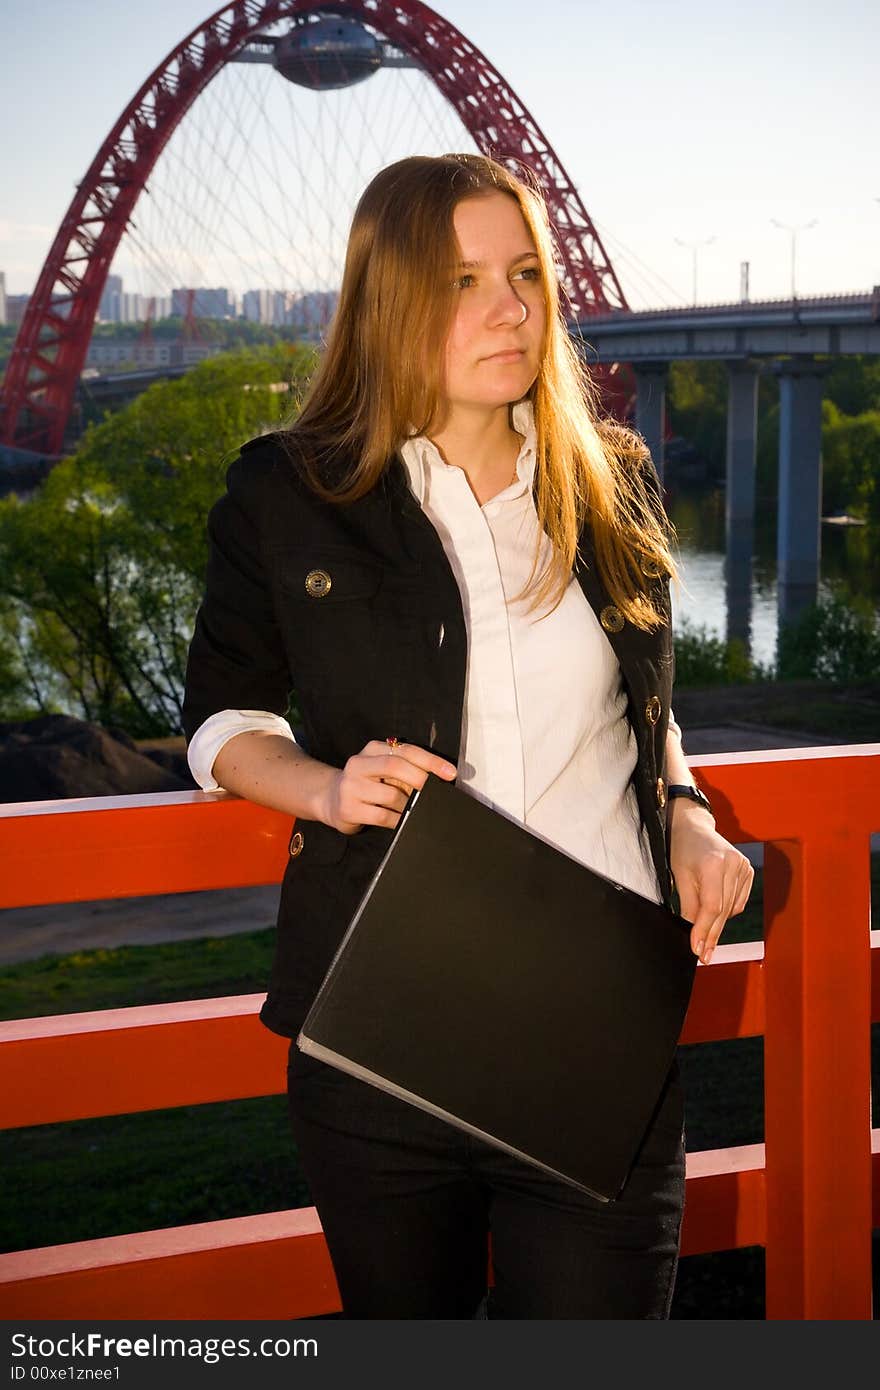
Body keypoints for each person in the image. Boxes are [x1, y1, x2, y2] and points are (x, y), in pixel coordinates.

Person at [182, 153, 754, 1319]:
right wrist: (321, 787)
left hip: (594, 1033)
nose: (512, 308)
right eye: (461, 281)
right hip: (383, 1031)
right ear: (390, 301)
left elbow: (640, 709)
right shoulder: (288, 494)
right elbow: (221, 718)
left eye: (526, 272)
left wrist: (685, 811)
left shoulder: (613, 487)